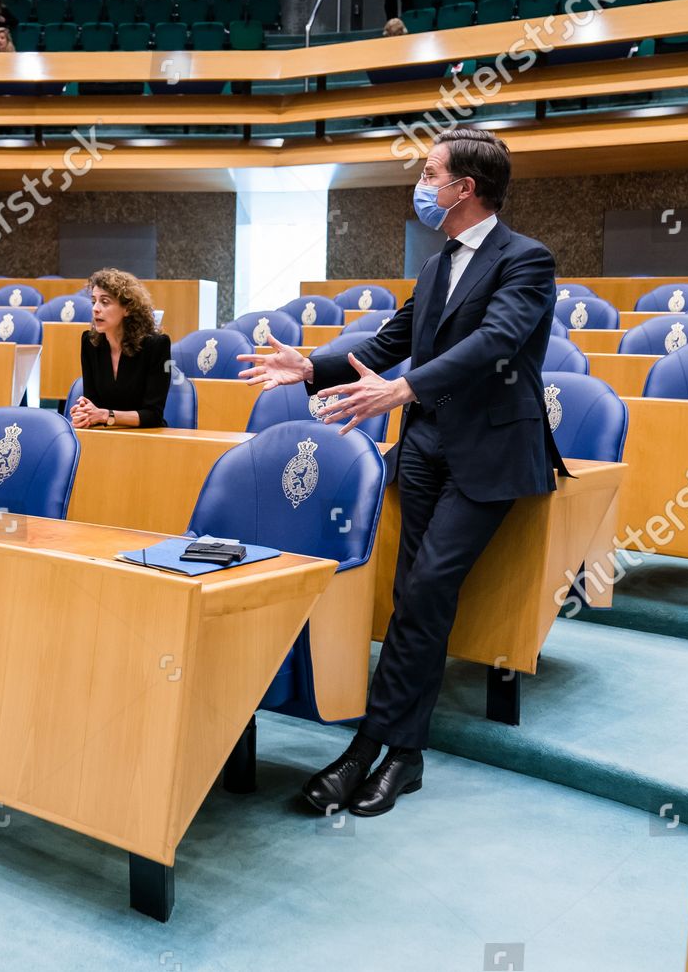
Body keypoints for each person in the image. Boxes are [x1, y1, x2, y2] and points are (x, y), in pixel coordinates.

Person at [239, 128, 565, 818]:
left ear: (464, 188)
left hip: (490, 453)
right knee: (411, 596)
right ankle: (390, 752)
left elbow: (496, 342)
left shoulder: (526, 259)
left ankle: (381, 749)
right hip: (425, 449)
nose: (421, 184)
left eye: (429, 172)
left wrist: (405, 390)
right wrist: (312, 365)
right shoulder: (439, 259)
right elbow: (394, 338)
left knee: (425, 592)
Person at [71, 268, 172, 430]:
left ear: (128, 309)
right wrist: (84, 415)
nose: (95, 308)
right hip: (106, 434)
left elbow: (153, 415)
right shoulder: (89, 342)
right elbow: (92, 403)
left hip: (147, 436)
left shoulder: (157, 345)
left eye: (105, 302)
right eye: (93, 301)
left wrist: (106, 415)